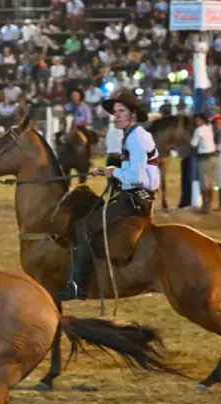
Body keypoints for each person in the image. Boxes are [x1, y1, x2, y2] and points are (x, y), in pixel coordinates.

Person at [56, 90, 161, 302]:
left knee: (82, 227)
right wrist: (108, 169)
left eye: (122, 111)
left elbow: (137, 177)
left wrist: (114, 172)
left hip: (134, 202)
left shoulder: (136, 139)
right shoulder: (133, 135)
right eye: (115, 111)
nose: (117, 115)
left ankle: (78, 288)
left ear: (133, 114)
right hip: (132, 197)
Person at [190, 112, 216, 213]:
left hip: (204, 158)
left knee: (204, 182)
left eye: (197, 120)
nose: (196, 122)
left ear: (201, 120)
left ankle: (205, 206)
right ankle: (209, 204)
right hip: (213, 157)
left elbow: (193, 144)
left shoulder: (198, 130)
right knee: (210, 182)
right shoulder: (209, 128)